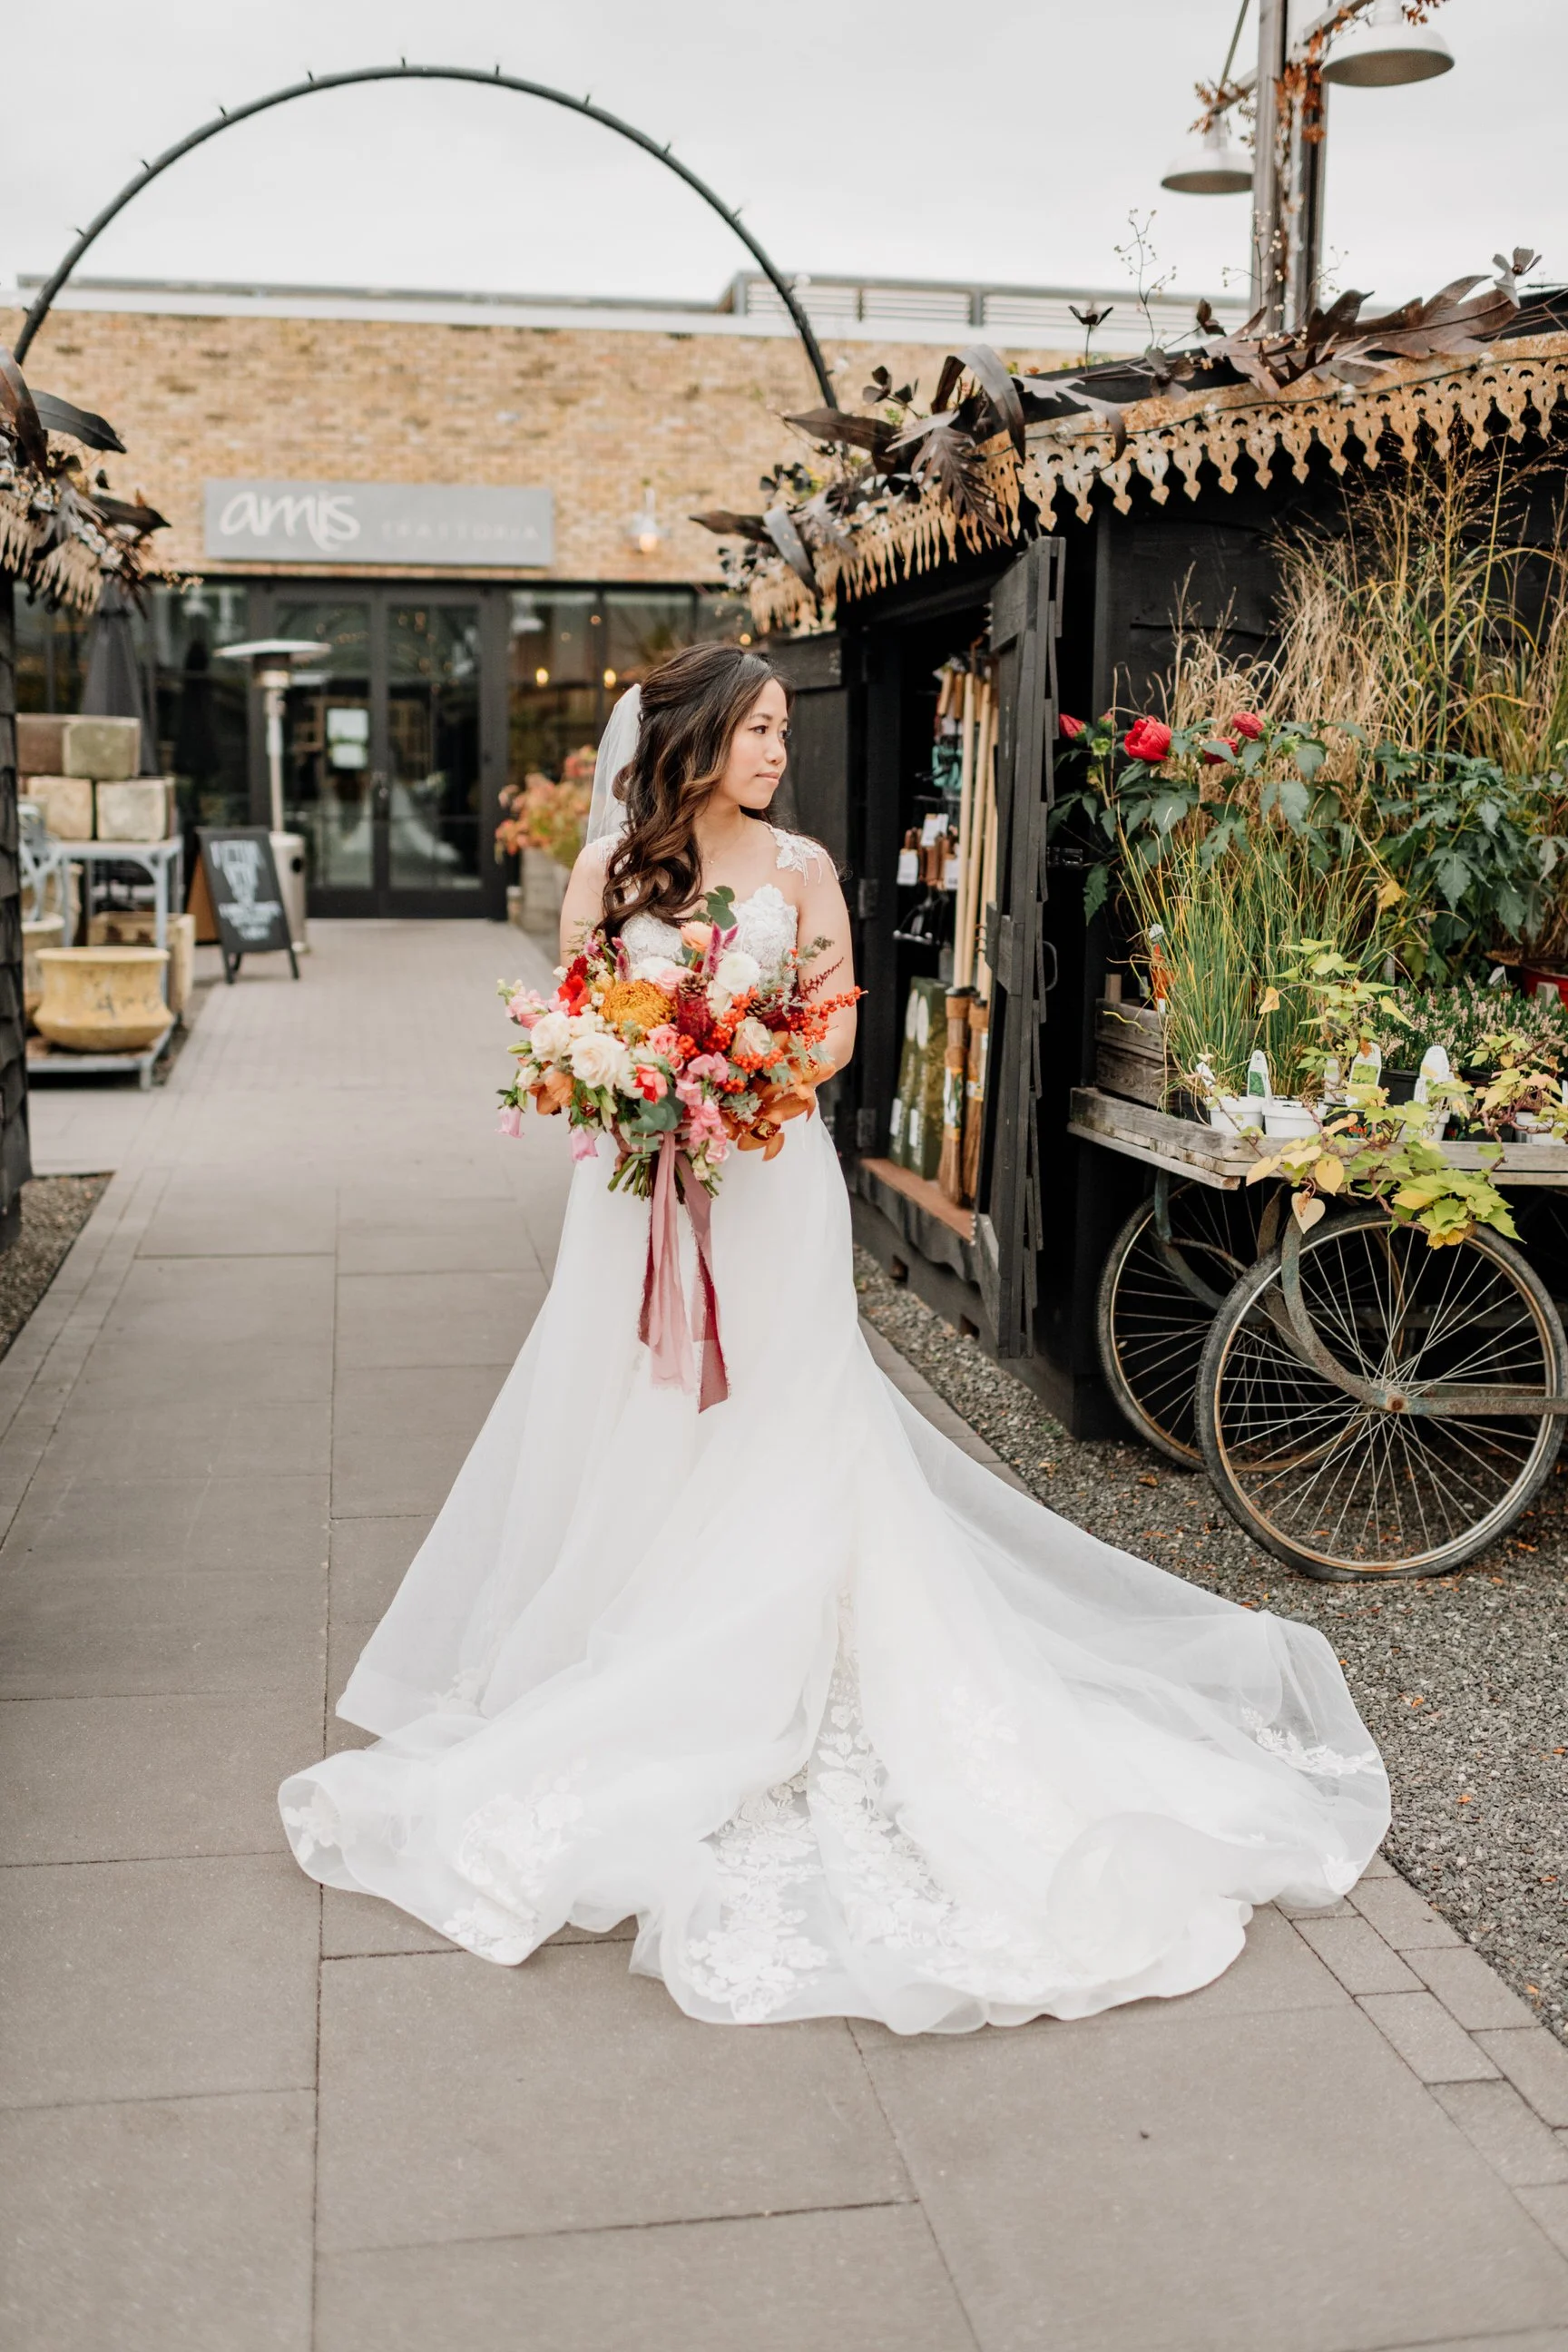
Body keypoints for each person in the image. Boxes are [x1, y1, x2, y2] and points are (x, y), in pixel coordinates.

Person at [280, 642, 1387, 2034]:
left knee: (785, 1414)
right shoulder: (615, 868)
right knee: (628, 1406)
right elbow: (569, 1019)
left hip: (764, 1177)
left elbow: (837, 1039)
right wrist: (633, 1082)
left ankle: (781, 1654)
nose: (772, 751)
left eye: (775, 733)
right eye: (749, 732)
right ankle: (630, 1639)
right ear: (686, 740)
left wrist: (731, 1071)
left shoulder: (801, 868)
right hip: (636, 1192)